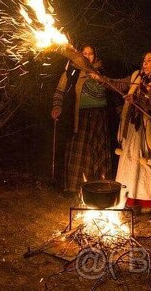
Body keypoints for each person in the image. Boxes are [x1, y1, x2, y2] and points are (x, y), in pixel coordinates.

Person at [94, 50, 151, 213]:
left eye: (150, 60)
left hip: (148, 130)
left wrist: (141, 98)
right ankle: (127, 199)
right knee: (129, 162)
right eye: (144, 60)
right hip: (132, 128)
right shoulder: (137, 76)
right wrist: (101, 79)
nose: (145, 63)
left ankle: (145, 203)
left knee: (145, 164)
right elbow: (118, 84)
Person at [51, 44, 112, 195]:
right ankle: (74, 188)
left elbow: (107, 90)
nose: (87, 56)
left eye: (90, 54)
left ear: (95, 56)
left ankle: (99, 188)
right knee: (79, 153)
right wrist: (57, 107)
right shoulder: (71, 71)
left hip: (99, 116)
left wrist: (99, 79)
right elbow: (59, 91)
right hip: (80, 117)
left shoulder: (100, 70)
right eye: (84, 53)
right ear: (79, 55)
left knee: (99, 152)